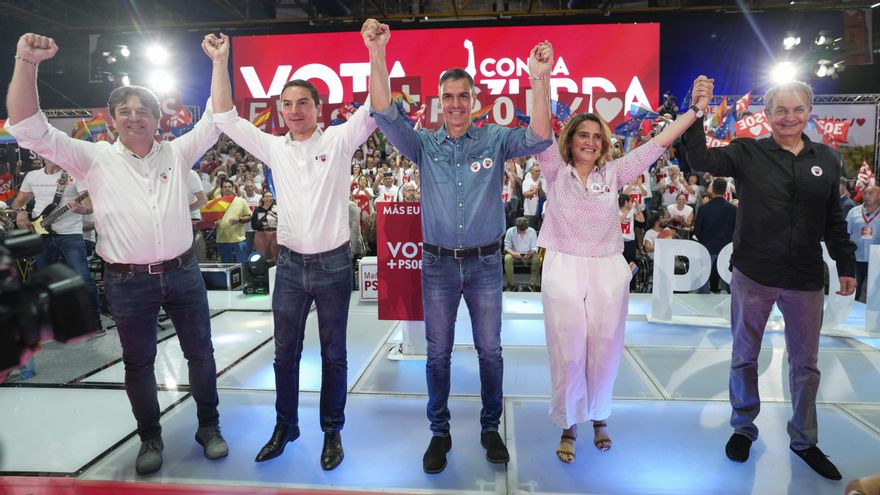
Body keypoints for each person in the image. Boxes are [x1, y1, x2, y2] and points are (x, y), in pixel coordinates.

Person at [5, 33, 227, 476]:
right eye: (124, 110)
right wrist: (26, 62)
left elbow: (218, 118)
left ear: (157, 119)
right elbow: (28, 126)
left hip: (183, 274)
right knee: (138, 363)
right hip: (127, 281)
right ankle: (149, 436)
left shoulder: (178, 153)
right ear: (112, 120)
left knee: (201, 355)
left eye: (142, 110)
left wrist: (220, 63)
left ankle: (209, 425)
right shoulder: (93, 158)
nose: (134, 116)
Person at [365, 18, 553, 473]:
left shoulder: (494, 138)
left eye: (462, 96)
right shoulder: (422, 145)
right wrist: (376, 53)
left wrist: (539, 79)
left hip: (486, 263)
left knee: (490, 351)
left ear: (474, 100)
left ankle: (490, 428)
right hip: (438, 266)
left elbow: (540, 136)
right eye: (447, 97)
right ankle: (439, 432)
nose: (454, 104)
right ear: (439, 102)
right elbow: (384, 111)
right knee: (437, 354)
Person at [204, 30, 377, 471]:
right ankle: (286, 426)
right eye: (287, 104)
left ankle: (332, 430)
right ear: (280, 110)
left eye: (303, 103)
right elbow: (224, 116)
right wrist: (220, 62)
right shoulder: (273, 147)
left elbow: (378, 106)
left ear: (319, 108)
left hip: (334, 264)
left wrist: (376, 51)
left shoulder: (339, 140)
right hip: (291, 265)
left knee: (334, 355)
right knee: (285, 355)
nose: (295, 111)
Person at [682, 79, 856, 480]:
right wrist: (698, 110)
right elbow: (700, 160)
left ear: (809, 111)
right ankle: (743, 428)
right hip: (754, 274)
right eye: (781, 110)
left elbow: (833, 219)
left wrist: (845, 263)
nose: (789, 118)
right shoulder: (747, 152)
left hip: (805, 278)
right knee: (745, 356)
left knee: (806, 365)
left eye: (797, 110)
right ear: (768, 114)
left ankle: (804, 440)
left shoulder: (828, 159)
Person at [536, 77, 711, 464]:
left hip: (608, 269)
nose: (590, 142)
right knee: (568, 350)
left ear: (604, 144)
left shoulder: (613, 173)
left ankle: (599, 415)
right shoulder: (553, 169)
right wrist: (539, 77)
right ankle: (569, 423)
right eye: (583, 135)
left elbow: (658, 143)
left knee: (605, 349)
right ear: (569, 140)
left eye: (597, 137)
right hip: (563, 265)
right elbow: (539, 129)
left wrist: (696, 111)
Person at [11, 156, 102, 334]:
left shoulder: (74, 175)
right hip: (40, 233)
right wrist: (20, 211)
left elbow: (90, 206)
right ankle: (51, 321)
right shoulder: (32, 176)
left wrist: (81, 209)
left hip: (70, 234)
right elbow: (18, 202)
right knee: (44, 280)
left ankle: (94, 321)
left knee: (83, 278)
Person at [693, 178, 737, 294]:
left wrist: (704, 240)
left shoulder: (703, 208)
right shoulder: (733, 209)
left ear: (712, 189)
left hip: (707, 246)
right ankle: (729, 298)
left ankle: (702, 299)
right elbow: (737, 229)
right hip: (726, 247)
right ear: (725, 190)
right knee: (727, 276)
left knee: (704, 275)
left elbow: (697, 230)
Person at [846, 184, 880, 301]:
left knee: (875, 291)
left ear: (879, 196)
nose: (867, 196)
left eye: (871, 193)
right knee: (854, 288)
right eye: (865, 193)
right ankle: (852, 308)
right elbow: (846, 233)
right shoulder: (853, 212)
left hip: (876, 259)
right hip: (856, 257)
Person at [214, 179, 251, 263]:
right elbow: (212, 219)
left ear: (233, 188)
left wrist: (239, 220)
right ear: (221, 189)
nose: (227, 188)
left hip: (238, 240)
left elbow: (249, 217)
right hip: (222, 240)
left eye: (229, 187)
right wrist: (214, 223)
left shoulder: (241, 201)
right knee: (226, 266)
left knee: (242, 266)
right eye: (225, 187)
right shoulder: (217, 202)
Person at [503, 216, 540, 291]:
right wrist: (514, 254)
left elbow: (535, 247)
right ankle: (510, 284)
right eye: (520, 230)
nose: (522, 232)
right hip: (514, 254)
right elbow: (507, 247)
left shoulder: (532, 231)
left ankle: (533, 284)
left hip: (529, 255)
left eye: (524, 230)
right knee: (507, 258)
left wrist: (530, 253)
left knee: (536, 259)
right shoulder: (510, 231)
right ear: (516, 227)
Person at [251, 190, 280, 262]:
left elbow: (283, 222)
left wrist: (274, 215)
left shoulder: (277, 209)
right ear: (263, 198)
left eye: (270, 196)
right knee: (262, 256)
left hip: (274, 234)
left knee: (275, 255)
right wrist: (262, 222)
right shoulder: (258, 209)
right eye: (267, 196)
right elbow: (254, 225)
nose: (269, 198)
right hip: (261, 234)